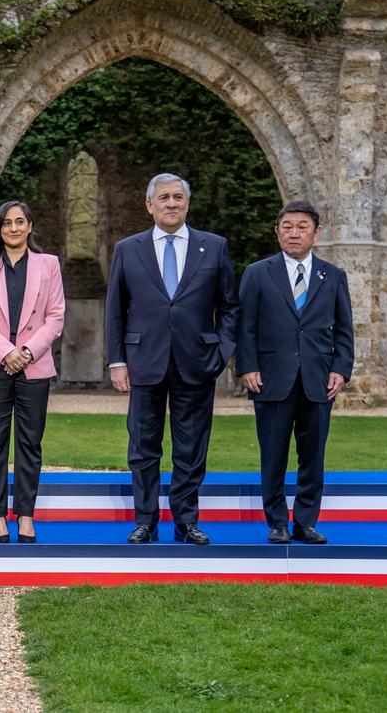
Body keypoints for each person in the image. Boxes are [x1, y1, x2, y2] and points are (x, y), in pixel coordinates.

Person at [105, 173, 238, 545]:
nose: (171, 203)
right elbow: (115, 309)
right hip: (143, 361)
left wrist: (222, 350)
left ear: (187, 203)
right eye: (163, 197)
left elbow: (230, 306)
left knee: (191, 447)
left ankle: (186, 522)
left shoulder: (213, 247)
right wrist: (117, 360)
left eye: (178, 197)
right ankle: (145, 521)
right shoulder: (128, 249)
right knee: (144, 446)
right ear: (149, 205)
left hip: (196, 362)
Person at [236, 200, 354, 545]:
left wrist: (341, 370)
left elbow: (344, 330)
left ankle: (305, 522)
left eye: (302, 226)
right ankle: (276, 522)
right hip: (271, 378)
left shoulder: (333, 276)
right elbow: (246, 327)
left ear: (316, 233)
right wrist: (248, 366)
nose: (294, 233)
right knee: (272, 456)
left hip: (319, 380)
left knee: (313, 456)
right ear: (277, 232)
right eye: (287, 226)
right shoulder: (258, 273)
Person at [0, 201, 65, 543]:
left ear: (30, 225)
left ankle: (25, 515)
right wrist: (7, 351)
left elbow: (55, 316)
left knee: (29, 441)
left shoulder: (48, 264)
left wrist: (25, 352)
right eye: (7, 223)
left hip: (34, 363)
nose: (13, 228)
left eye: (19, 222)